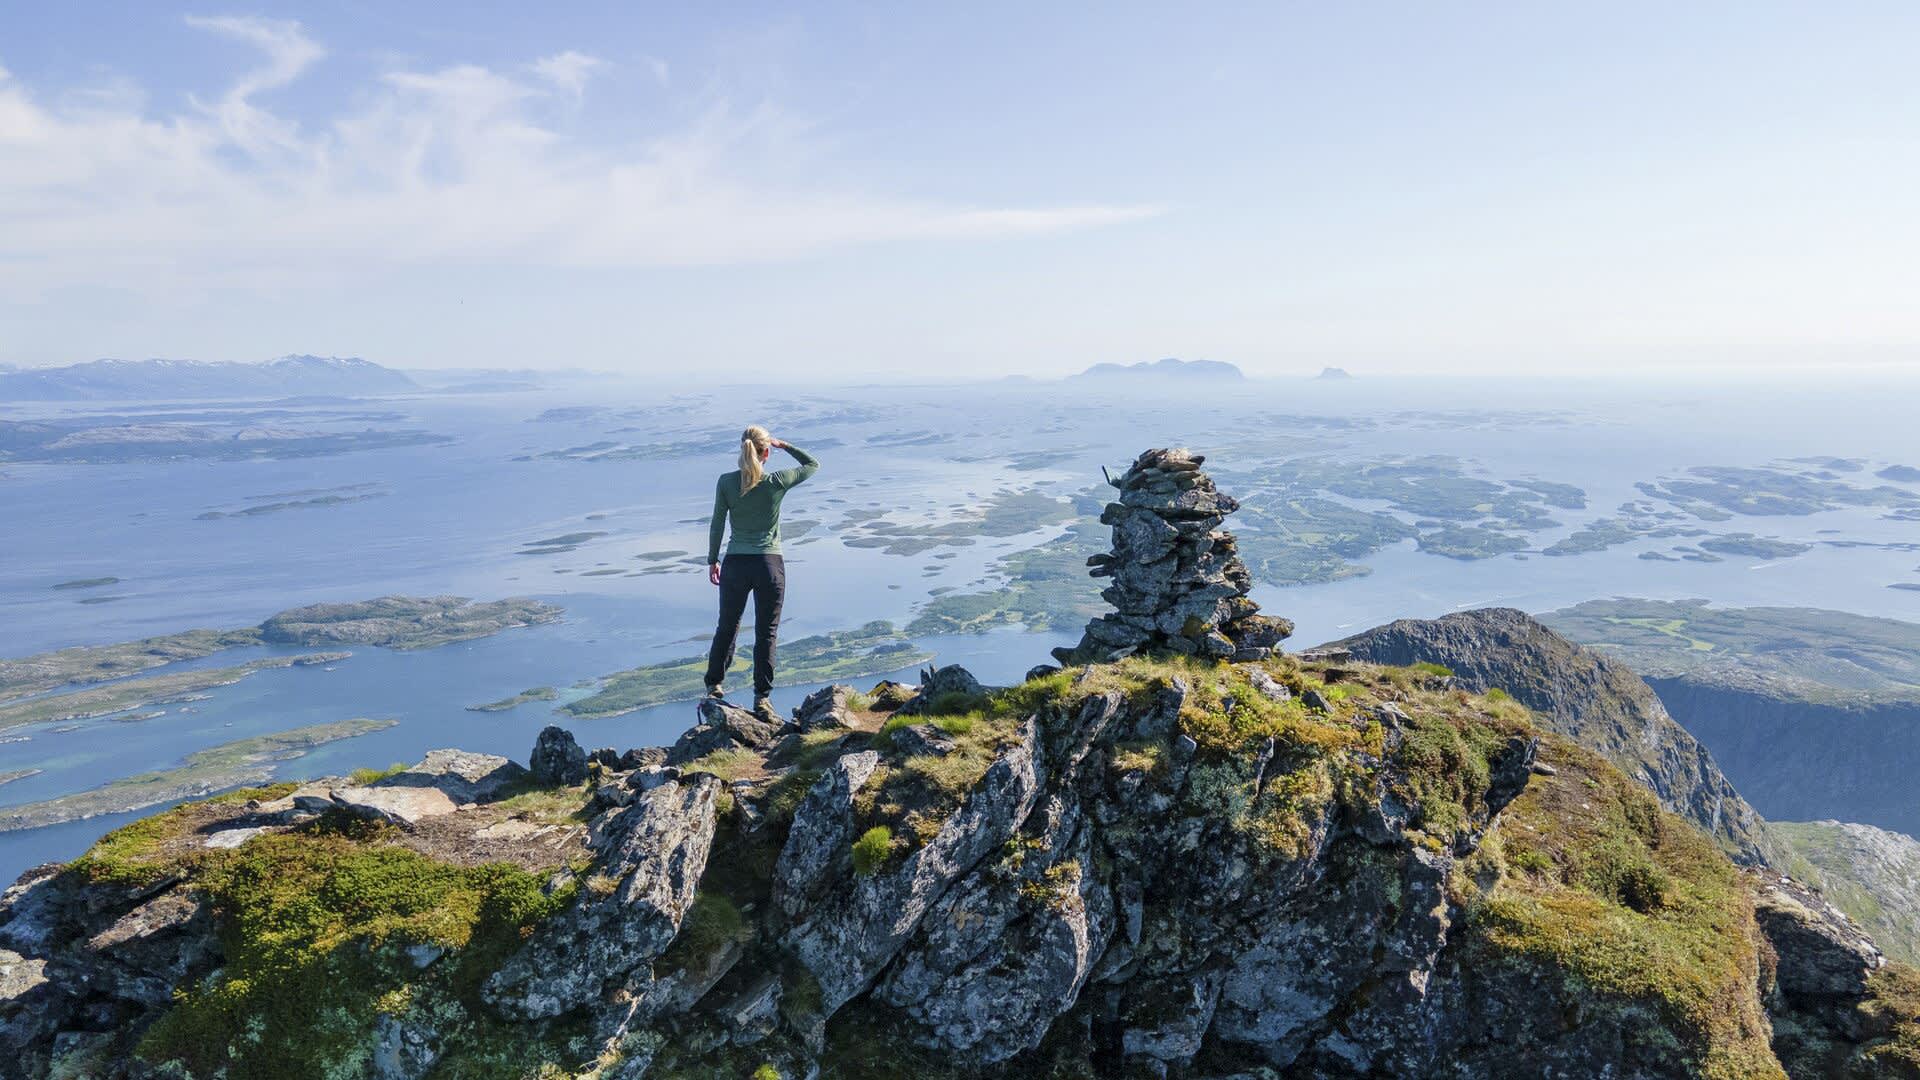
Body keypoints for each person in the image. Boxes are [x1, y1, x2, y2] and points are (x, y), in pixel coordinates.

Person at [703, 425, 820, 719]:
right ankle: (762, 699)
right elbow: (812, 464)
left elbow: (717, 523)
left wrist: (712, 560)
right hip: (769, 564)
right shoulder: (777, 482)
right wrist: (785, 445)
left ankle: (714, 685)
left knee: (727, 626)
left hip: (735, 564)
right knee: (766, 633)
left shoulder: (726, 483)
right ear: (766, 452)